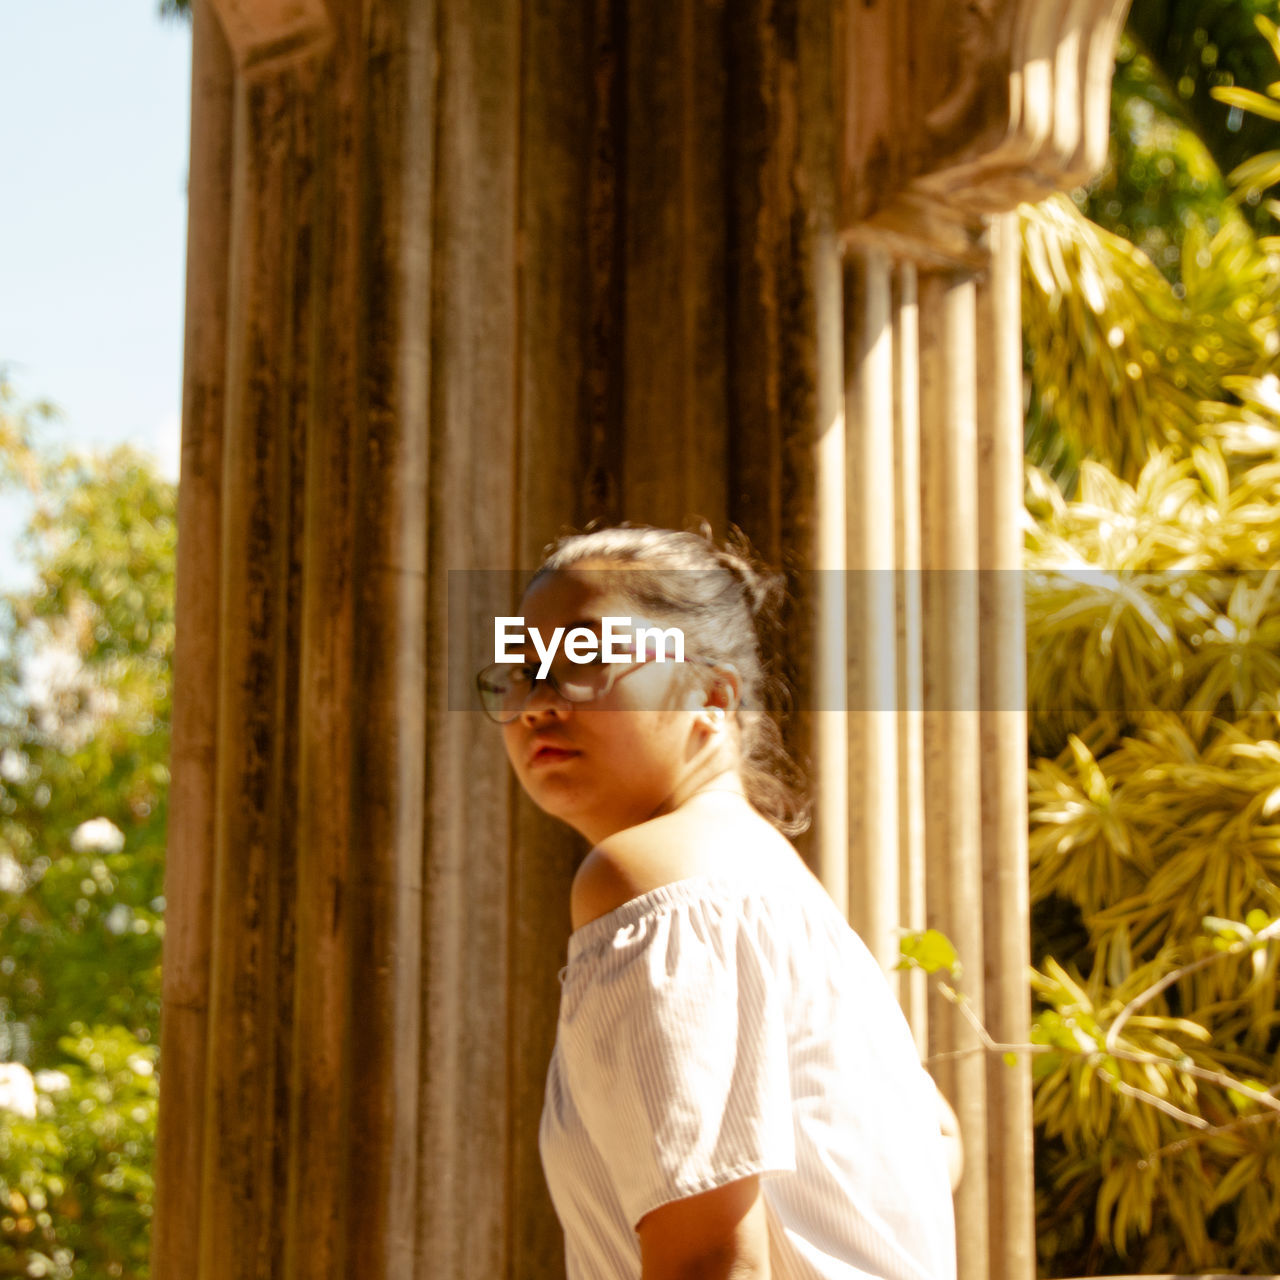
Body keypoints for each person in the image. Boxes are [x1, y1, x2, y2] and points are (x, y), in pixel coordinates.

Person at [474, 524, 959, 1280]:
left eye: (584, 658)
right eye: (518, 669)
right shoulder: (780, 896)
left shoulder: (651, 880)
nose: (537, 702)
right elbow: (938, 1138)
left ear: (710, 692)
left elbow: (709, 1262)